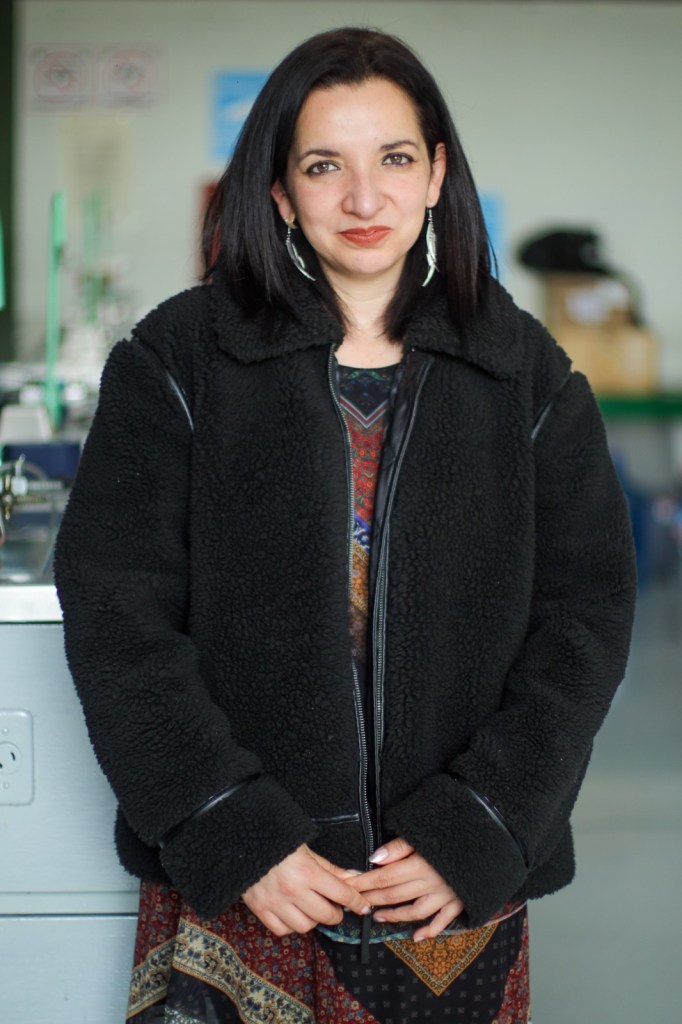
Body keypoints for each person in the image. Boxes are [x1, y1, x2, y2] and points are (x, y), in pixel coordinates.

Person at [55, 26, 636, 1024]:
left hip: (446, 891)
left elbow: (583, 616)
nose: (364, 199)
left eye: (394, 159)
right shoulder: (178, 359)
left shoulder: (522, 369)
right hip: (245, 890)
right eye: (324, 165)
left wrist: (483, 822)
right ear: (278, 190)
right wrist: (229, 826)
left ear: (435, 172)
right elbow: (116, 612)